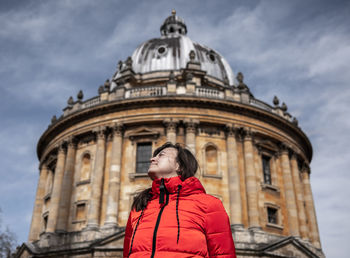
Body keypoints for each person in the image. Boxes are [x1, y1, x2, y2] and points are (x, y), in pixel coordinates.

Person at [123, 142, 236, 258]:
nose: (152, 159)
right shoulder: (140, 205)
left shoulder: (209, 204)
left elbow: (224, 254)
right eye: (154, 156)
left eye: (161, 155)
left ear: (179, 166)